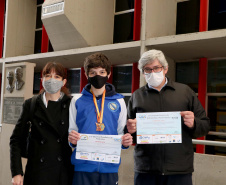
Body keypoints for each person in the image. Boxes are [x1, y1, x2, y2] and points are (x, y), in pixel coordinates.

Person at [126, 49, 210, 185]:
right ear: (142, 72)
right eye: (147, 69)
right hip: (146, 171)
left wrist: (194, 123)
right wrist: (130, 130)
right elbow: (129, 133)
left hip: (179, 170)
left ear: (165, 69)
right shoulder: (137, 96)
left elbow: (205, 126)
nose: (152, 73)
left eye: (156, 68)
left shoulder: (185, 92)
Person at [68, 52, 133, 185]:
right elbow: (72, 130)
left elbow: (120, 132)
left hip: (109, 166)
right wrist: (72, 140)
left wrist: (125, 142)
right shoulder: (77, 100)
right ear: (87, 75)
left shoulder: (119, 101)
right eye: (93, 73)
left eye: (102, 72)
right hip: (83, 166)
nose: (98, 76)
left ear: (108, 74)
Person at [10, 62, 73, 185]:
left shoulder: (72, 105)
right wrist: (17, 172)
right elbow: (16, 140)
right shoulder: (31, 104)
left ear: (63, 82)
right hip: (37, 173)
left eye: (57, 77)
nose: (52, 80)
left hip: (62, 173)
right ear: (42, 79)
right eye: (48, 75)